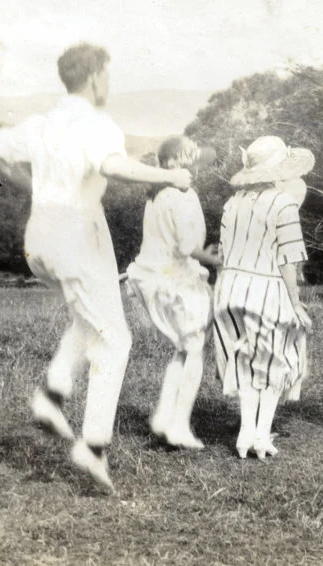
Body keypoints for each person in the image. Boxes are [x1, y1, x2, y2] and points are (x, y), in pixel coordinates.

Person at [0, 43, 192, 492]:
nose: (109, 85)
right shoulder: (95, 123)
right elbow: (114, 167)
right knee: (115, 339)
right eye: (108, 76)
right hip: (78, 234)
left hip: (40, 236)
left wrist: (35, 187)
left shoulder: (41, 122)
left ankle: (52, 394)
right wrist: (171, 177)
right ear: (96, 77)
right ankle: (92, 445)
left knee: (90, 317)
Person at [212, 136, 314, 460]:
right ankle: (258, 436)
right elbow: (289, 258)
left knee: (244, 359)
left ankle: (246, 432)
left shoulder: (232, 203)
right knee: (275, 359)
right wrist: (295, 302)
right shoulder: (283, 202)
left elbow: (224, 252)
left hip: (230, 288)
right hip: (266, 287)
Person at [125, 136, 221, 450]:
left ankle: (166, 416)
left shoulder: (156, 193)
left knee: (184, 349)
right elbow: (186, 247)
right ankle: (178, 424)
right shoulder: (182, 194)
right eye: (193, 159)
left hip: (154, 277)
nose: (197, 168)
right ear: (179, 160)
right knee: (193, 350)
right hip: (175, 281)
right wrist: (219, 260)